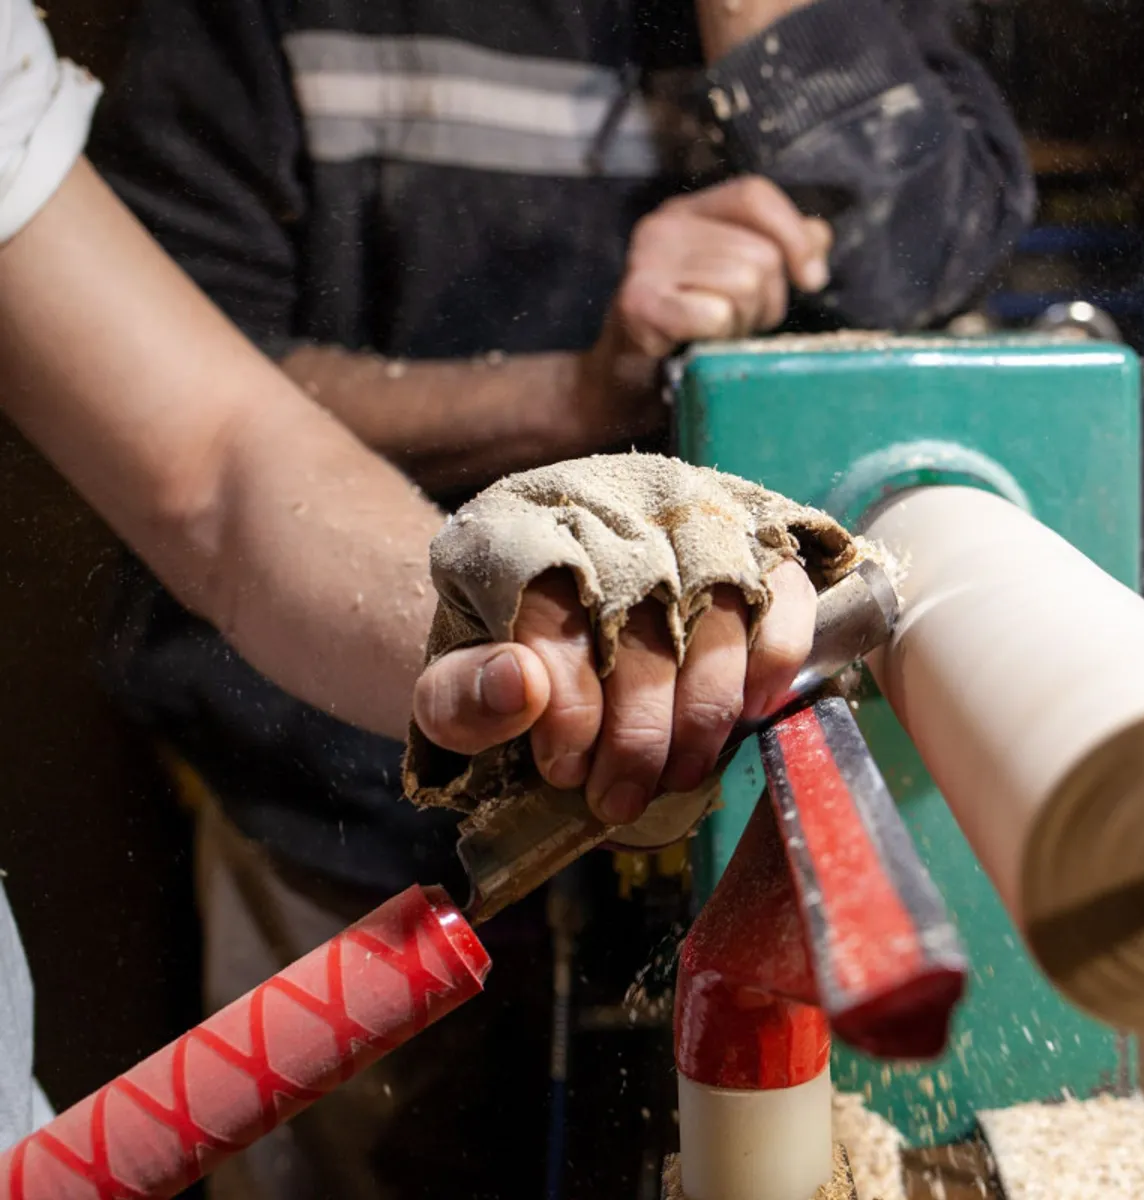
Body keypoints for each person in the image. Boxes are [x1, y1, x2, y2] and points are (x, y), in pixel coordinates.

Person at [88, 1, 1031, 1193]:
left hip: (722, 750)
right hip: (334, 782)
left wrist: (765, 32)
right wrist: (584, 406)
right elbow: (208, 402)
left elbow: (942, 250)